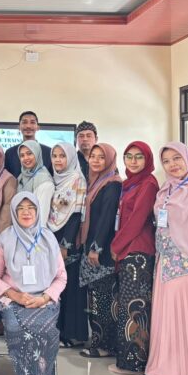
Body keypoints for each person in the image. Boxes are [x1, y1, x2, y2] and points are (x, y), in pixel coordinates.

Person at [125, 142, 188, 375]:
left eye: (177, 158)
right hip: (165, 265)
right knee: (165, 322)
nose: (172, 165)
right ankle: (162, 372)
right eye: (166, 161)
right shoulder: (167, 188)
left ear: (187, 158)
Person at [0, 192, 67, 375]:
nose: (26, 212)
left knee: (46, 330)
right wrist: (15, 296)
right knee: (15, 328)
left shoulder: (49, 238)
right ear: (14, 212)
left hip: (44, 299)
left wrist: (44, 297)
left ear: (38, 211)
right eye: (21, 208)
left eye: (31, 208)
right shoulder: (5, 238)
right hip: (13, 299)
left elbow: (61, 277)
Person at [109, 141, 159, 375]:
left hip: (138, 252)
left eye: (139, 157)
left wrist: (116, 246)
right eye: (129, 156)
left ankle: (134, 363)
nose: (133, 161)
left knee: (134, 309)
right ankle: (127, 360)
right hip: (128, 250)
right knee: (127, 305)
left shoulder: (148, 184)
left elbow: (137, 220)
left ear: (147, 159)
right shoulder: (130, 183)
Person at [78, 143, 122, 358]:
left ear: (110, 160)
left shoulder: (112, 184)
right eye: (93, 156)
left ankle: (105, 345)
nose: (95, 160)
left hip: (101, 253)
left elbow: (106, 219)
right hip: (91, 248)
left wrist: (96, 248)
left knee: (103, 300)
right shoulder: (95, 182)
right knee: (95, 298)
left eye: (101, 157)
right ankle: (98, 341)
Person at [48, 142, 88, 348]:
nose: (58, 160)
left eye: (62, 156)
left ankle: (71, 334)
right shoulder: (55, 179)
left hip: (68, 239)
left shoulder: (77, 179)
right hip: (53, 234)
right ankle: (58, 331)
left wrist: (65, 244)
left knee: (69, 287)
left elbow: (76, 214)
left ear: (71, 158)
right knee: (56, 286)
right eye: (55, 156)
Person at [17, 140, 55, 226]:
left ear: (37, 154)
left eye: (29, 153)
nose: (26, 158)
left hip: (34, 231)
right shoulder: (21, 177)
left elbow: (41, 217)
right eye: (22, 155)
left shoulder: (44, 180)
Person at [4, 111, 52, 178]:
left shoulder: (49, 152)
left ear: (38, 127)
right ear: (19, 127)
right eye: (24, 122)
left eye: (32, 122)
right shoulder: (10, 153)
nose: (28, 126)